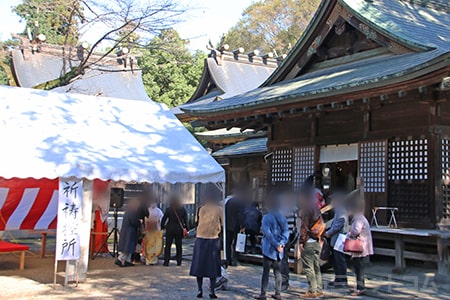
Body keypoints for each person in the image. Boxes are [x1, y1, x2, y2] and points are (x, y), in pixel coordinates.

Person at [255, 192, 289, 300]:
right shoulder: (283, 218)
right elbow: (286, 232)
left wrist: (275, 244)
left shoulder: (266, 217)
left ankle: (263, 293)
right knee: (277, 273)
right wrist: (281, 244)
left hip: (268, 249)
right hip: (279, 250)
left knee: (266, 272)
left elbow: (267, 233)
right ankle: (278, 293)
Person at [190, 192, 223, 299]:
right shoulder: (219, 209)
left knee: (199, 265)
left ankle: (199, 289)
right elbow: (222, 223)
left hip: (200, 238)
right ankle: (212, 291)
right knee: (212, 266)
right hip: (213, 238)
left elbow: (196, 222)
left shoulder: (200, 209)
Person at [298, 186, 323, 298]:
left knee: (309, 267)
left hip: (309, 240)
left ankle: (312, 290)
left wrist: (301, 241)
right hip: (317, 239)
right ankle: (319, 289)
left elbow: (304, 227)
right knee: (316, 266)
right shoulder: (316, 208)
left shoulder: (306, 209)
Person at [347, 201, 373, 296]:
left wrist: (349, 233)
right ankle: (359, 287)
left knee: (359, 268)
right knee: (359, 267)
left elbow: (356, 231)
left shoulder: (358, 218)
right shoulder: (361, 217)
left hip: (360, 246)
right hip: (363, 245)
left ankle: (360, 288)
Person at [324, 192, 348, 288]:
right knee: (335, 260)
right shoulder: (338, 210)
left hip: (340, 239)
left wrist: (329, 233)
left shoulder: (342, 211)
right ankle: (338, 279)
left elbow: (338, 225)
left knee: (340, 260)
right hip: (336, 239)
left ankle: (342, 280)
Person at [161, 194, 188, 266]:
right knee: (179, 245)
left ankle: (166, 261)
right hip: (179, 229)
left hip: (170, 228)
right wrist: (186, 228)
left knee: (168, 246)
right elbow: (185, 220)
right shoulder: (182, 209)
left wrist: (162, 226)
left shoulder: (169, 209)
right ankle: (179, 261)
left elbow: (164, 219)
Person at [115, 198, 142, 267]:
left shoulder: (128, 211)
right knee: (127, 247)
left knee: (129, 247)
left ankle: (128, 260)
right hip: (130, 232)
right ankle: (120, 259)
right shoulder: (132, 212)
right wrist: (139, 222)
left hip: (127, 231)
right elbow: (134, 222)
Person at [225, 190, 245, 266]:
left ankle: (228, 259)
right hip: (236, 225)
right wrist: (242, 225)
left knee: (228, 243)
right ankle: (235, 259)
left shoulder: (228, 202)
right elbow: (240, 215)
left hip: (228, 224)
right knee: (236, 243)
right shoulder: (240, 203)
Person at [143, 198, 164, 265]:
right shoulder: (148, 210)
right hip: (148, 230)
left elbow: (161, 218)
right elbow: (145, 218)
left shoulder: (159, 211)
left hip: (155, 229)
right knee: (148, 245)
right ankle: (148, 260)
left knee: (155, 245)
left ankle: (154, 260)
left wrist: (157, 220)